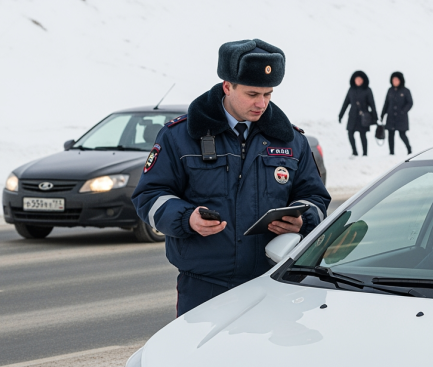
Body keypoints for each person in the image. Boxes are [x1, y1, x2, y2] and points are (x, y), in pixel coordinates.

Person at [132, 39, 330, 317]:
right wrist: (187, 218)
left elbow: (316, 198)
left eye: (268, 94)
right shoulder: (179, 136)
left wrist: (302, 219)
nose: (261, 103)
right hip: (204, 287)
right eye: (252, 94)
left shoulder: (291, 140)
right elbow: (149, 196)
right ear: (227, 86)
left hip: (273, 284)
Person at [339, 71, 377, 157]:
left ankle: (365, 153)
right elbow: (345, 103)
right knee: (350, 133)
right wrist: (340, 115)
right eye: (357, 79)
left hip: (363, 117)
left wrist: (375, 117)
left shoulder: (367, 90)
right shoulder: (351, 90)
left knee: (362, 135)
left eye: (360, 79)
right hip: (352, 116)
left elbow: (372, 104)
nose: (358, 81)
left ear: (363, 80)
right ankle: (354, 151)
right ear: (354, 80)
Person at [381, 71, 413, 155]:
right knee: (390, 135)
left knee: (402, 134)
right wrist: (382, 115)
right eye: (393, 80)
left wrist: (403, 111)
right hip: (391, 116)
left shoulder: (406, 91)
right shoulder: (390, 90)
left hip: (401, 117)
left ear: (400, 80)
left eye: (396, 80)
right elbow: (386, 103)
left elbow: (410, 103)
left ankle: (409, 149)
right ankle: (391, 152)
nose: (395, 81)